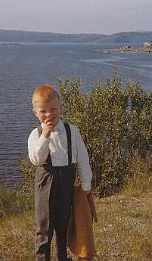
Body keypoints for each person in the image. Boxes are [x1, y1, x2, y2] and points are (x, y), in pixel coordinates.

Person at [28, 84, 92, 261]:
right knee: (44, 228)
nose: (49, 114)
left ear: (61, 108)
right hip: (45, 185)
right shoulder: (36, 134)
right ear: (36, 113)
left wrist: (86, 185)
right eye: (43, 111)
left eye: (53, 109)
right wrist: (45, 136)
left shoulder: (73, 131)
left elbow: (83, 160)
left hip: (66, 185)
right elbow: (36, 160)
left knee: (63, 225)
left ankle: (62, 258)